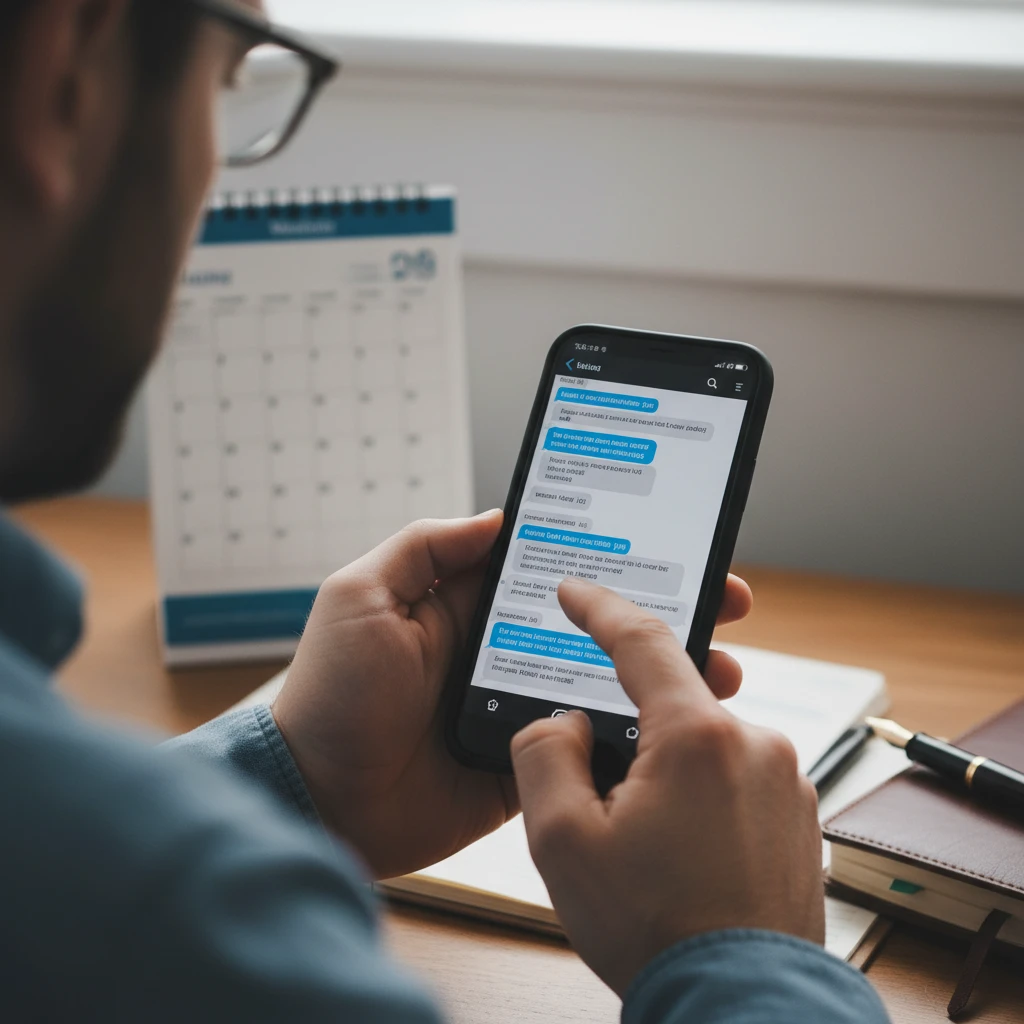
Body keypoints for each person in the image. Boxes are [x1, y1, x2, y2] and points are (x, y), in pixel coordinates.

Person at [0, 1, 891, 1021]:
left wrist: (298, 775)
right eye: (229, 82)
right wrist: (748, 956)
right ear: (61, 65)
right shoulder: (183, 936)